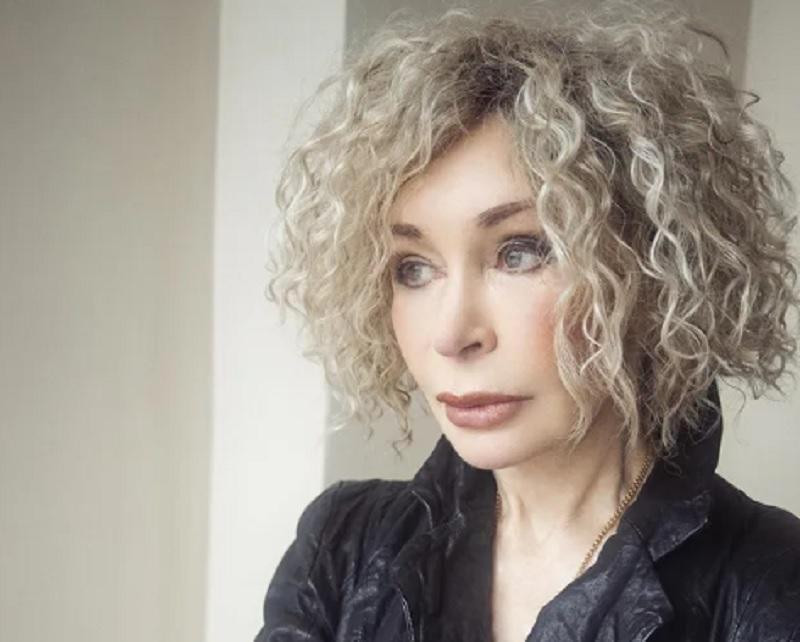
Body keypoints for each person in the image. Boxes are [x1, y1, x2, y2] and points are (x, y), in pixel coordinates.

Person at [256, 3, 800, 640]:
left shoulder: (771, 584)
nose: (451, 335)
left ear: (654, 268)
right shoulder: (339, 549)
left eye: (520, 252)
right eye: (413, 267)